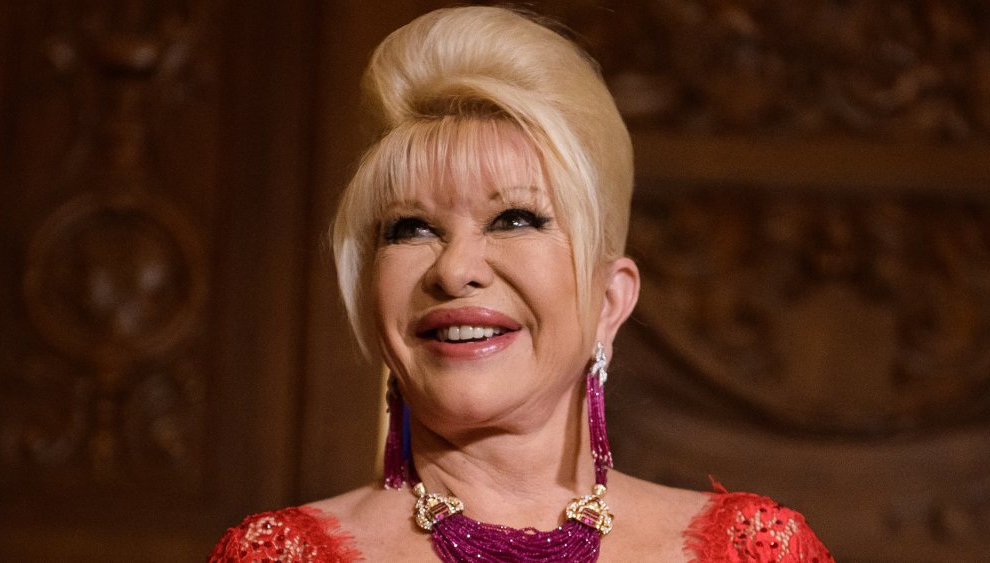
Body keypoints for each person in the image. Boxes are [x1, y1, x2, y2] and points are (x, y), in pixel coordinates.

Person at [208, 6, 833, 562]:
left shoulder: (752, 551)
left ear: (610, 301)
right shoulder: (277, 557)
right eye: (411, 229)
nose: (454, 270)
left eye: (514, 219)